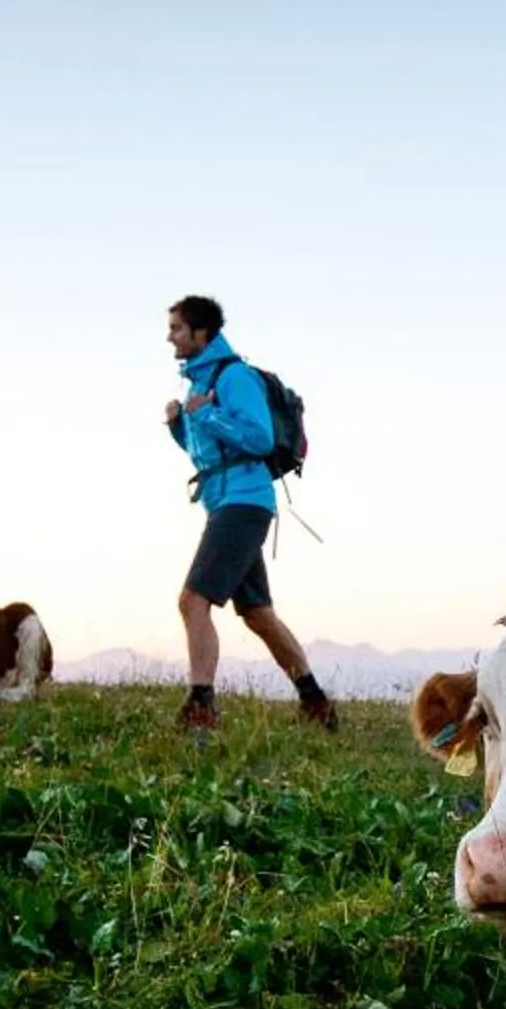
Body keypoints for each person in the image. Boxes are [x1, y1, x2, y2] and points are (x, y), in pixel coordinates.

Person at [163, 294, 338, 733]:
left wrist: (207, 416)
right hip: (227, 501)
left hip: (244, 503)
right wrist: (180, 427)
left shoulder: (233, 376)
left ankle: (201, 706)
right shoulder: (198, 385)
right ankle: (316, 702)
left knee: (192, 602)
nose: (170, 338)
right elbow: (208, 455)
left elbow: (258, 439)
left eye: (177, 329)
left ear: (201, 333)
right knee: (258, 614)